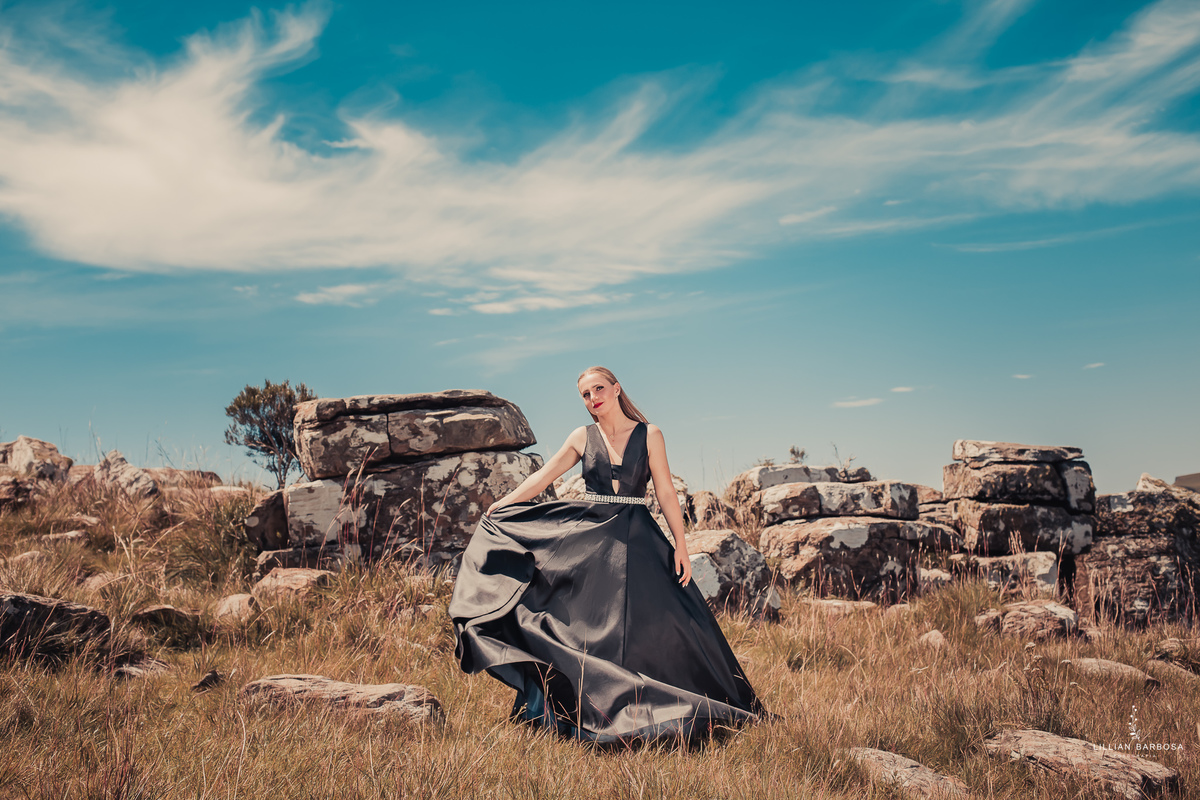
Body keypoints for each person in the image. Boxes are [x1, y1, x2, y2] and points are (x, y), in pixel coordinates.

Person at [448, 366, 764, 744]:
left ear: (616, 389)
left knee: (665, 623)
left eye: (598, 389)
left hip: (639, 538)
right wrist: (500, 505)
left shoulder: (650, 434)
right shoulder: (582, 437)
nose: (592, 398)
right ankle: (578, 710)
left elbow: (665, 492)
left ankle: (664, 704)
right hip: (591, 539)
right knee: (587, 629)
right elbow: (542, 478)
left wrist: (681, 544)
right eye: (585, 394)